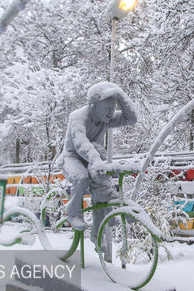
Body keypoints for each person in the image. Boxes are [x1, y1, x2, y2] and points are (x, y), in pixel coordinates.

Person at [56, 82, 138, 251]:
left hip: (92, 159)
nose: (110, 112)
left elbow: (131, 118)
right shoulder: (77, 117)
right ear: (93, 106)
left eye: (112, 108)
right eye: (107, 108)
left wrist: (120, 95)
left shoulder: (105, 120)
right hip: (72, 158)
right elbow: (80, 143)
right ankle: (73, 213)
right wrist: (96, 160)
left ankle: (98, 232)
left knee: (101, 190)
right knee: (82, 177)